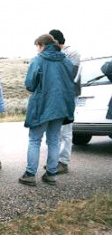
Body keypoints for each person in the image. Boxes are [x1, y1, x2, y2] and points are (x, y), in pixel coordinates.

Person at [19, 34, 75, 186]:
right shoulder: (66, 60)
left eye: (37, 46)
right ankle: (51, 174)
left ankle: (30, 174)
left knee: (35, 140)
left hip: (42, 105)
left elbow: (30, 85)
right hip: (61, 106)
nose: (37, 50)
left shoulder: (38, 59)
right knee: (54, 140)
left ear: (41, 45)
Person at [49, 29, 81, 174]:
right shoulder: (54, 53)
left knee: (66, 130)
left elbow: (70, 74)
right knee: (55, 129)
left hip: (68, 94)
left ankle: (63, 161)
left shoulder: (72, 53)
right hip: (56, 95)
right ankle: (54, 160)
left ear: (56, 40)